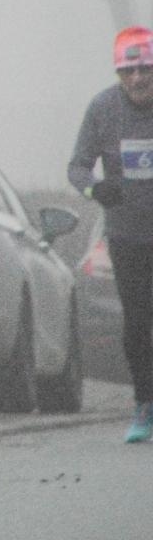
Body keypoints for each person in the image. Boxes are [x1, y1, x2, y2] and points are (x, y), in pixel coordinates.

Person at [69, 25, 153, 442]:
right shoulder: (103, 109)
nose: (138, 79)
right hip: (127, 235)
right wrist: (95, 189)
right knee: (138, 323)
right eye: (128, 72)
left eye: (146, 70)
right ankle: (144, 403)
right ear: (118, 74)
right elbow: (78, 167)